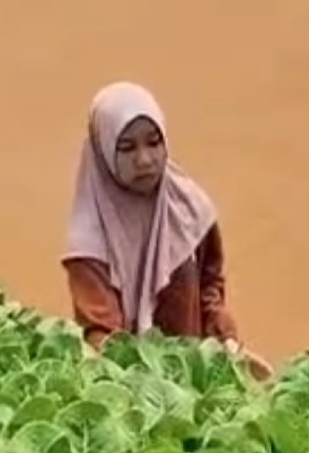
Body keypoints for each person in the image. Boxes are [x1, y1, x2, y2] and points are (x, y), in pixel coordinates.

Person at [62, 81, 272, 380]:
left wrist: (223, 337)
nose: (144, 160)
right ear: (104, 151)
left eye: (153, 142)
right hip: (127, 385)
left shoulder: (192, 211)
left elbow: (209, 287)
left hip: (195, 379)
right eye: (127, 147)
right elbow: (101, 333)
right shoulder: (89, 241)